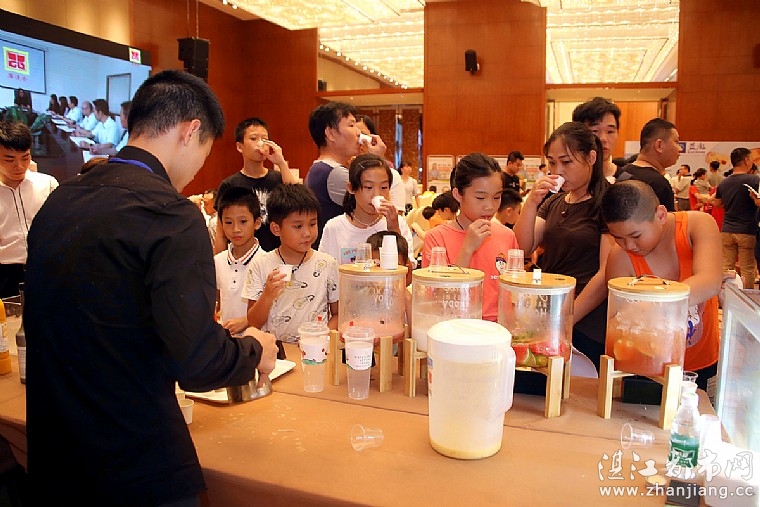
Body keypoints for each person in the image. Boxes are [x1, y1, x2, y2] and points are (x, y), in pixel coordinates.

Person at [23, 70, 278, 506]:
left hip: (56, 456)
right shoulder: (170, 216)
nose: (197, 169)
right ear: (190, 131)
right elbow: (197, 362)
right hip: (134, 461)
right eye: (204, 152)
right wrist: (255, 352)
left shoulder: (59, 200)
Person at [601, 180, 722, 394]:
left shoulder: (697, 225)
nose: (629, 246)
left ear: (661, 215)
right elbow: (623, 319)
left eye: (636, 236)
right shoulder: (620, 258)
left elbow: (710, 281)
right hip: (646, 370)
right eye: (618, 238)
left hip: (701, 364)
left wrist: (649, 306)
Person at [514, 122, 614, 370]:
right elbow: (522, 247)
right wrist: (531, 202)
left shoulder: (608, 202)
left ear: (591, 158)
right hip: (550, 310)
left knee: (579, 383)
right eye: (552, 163)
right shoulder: (554, 202)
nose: (557, 171)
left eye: (566, 162)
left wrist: (566, 319)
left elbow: (606, 273)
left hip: (586, 318)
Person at [422, 152, 519, 322]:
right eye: (480, 197)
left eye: (497, 197)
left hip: (499, 329)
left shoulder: (506, 235)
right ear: (458, 194)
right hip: (455, 327)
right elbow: (437, 300)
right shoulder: (436, 238)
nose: (490, 206)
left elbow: (515, 294)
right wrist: (467, 249)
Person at [245, 183, 339, 347]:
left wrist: (321, 337)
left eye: (312, 224)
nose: (307, 233)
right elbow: (253, 322)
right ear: (276, 229)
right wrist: (267, 295)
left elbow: (337, 314)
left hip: (316, 349)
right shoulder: (261, 264)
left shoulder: (327, 264)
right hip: (276, 351)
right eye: (298, 226)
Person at [304, 102, 387, 246]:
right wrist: (377, 160)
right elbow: (381, 207)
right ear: (331, 134)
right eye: (351, 125)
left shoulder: (320, 168)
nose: (358, 133)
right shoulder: (335, 174)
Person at [213, 117, 297, 254]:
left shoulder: (278, 178)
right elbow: (221, 233)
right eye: (253, 138)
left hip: (277, 255)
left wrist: (281, 163)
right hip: (243, 257)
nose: (260, 143)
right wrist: (218, 263)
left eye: (264, 139)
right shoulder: (230, 184)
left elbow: (297, 200)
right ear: (239, 146)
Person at [318, 153, 415, 265]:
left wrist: (394, 231)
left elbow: (407, 272)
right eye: (369, 187)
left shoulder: (398, 223)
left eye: (384, 187)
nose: (377, 194)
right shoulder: (334, 227)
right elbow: (324, 269)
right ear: (351, 188)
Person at [0, 121, 58, 298]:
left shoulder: (47, 184)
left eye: (25, 158)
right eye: (9, 159)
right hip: (5, 272)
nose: (19, 166)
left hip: (45, 266)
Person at [214, 187, 264, 336]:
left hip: (257, 340)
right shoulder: (218, 261)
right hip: (227, 342)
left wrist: (247, 320)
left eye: (243, 221)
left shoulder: (266, 261)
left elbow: (272, 308)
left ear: (257, 222)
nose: (236, 229)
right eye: (228, 222)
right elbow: (219, 302)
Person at [711, 147, 760, 289]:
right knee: (747, 268)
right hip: (747, 230)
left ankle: (724, 296)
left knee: (726, 268)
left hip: (727, 229)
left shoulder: (724, 182)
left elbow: (717, 203)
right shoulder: (754, 180)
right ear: (746, 160)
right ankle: (746, 298)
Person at [615, 118, 681, 212]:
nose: (680, 149)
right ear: (659, 145)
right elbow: (666, 221)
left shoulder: (621, 173)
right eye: (676, 142)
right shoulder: (659, 184)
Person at [355, 114, 405, 213]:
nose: (359, 141)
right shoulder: (340, 171)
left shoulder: (391, 175)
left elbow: (397, 215)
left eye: (362, 135)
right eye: (354, 136)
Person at [367, 230, 413, 331]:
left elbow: (415, 335)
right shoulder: (363, 295)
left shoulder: (411, 297)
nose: (385, 274)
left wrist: (406, 297)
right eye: (378, 266)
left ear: (407, 270)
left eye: (394, 267)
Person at [572, 97, 621, 183]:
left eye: (610, 131)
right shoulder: (565, 182)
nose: (603, 139)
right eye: (594, 131)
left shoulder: (629, 182)